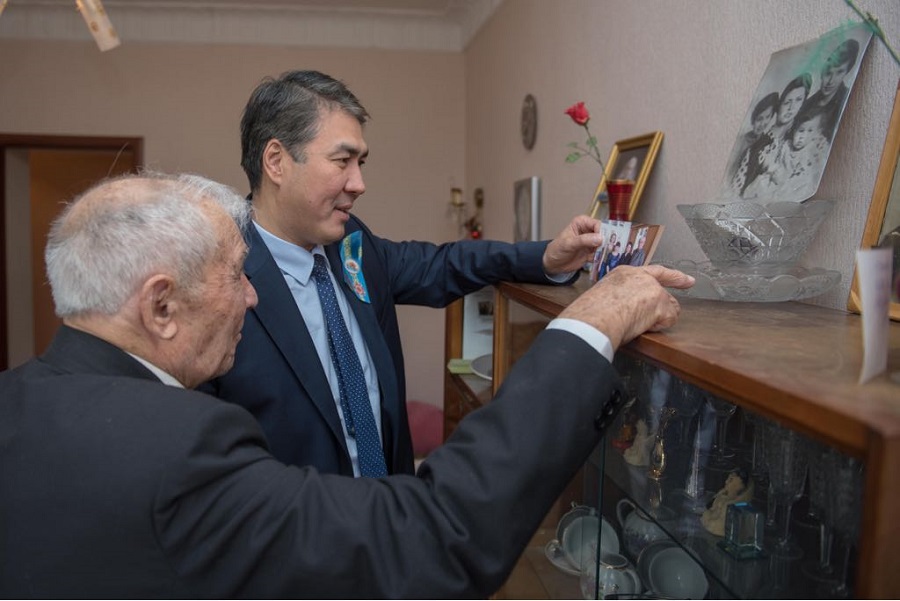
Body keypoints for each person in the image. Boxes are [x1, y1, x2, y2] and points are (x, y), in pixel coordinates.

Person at [0, 171, 694, 597]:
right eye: (235, 275)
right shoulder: (182, 448)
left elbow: (439, 263)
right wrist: (590, 325)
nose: (251, 295)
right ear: (160, 306)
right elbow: (436, 537)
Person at [200, 70, 605, 477]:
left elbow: (443, 264)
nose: (359, 183)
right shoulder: (214, 282)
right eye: (342, 161)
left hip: (390, 500)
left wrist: (545, 258)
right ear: (276, 161)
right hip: (301, 514)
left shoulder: (353, 242)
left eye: (360, 163)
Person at [733, 73, 812, 199]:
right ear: (779, 105)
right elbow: (736, 189)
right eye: (787, 102)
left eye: (798, 100)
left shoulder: (797, 142)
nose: (791, 108)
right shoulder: (757, 146)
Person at [800, 38, 861, 142]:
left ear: (846, 72)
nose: (831, 81)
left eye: (839, 72)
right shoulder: (805, 106)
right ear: (821, 72)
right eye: (828, 72)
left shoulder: (848, 102)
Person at [727, 92, 779, 182]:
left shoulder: (767, 142)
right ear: (753, 120)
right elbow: (730, 172)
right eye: (759, 119)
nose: (763, 124)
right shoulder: (741, 141)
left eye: (768, 117)